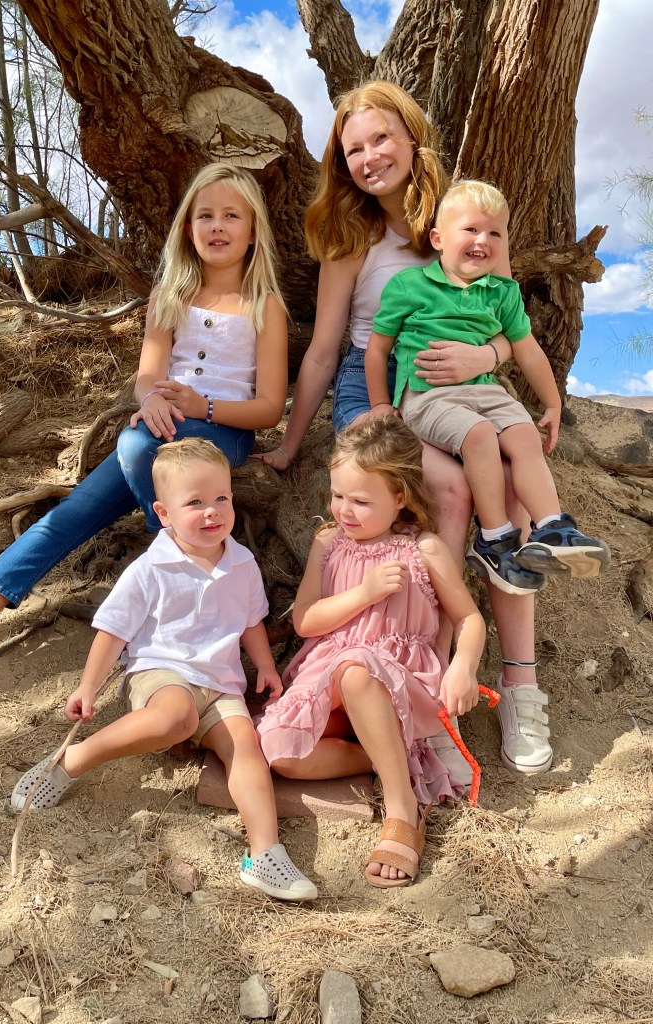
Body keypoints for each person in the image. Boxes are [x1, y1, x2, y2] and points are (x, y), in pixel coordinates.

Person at [0, 163, 287, 707]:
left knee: (135, 445)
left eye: (231, 216)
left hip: (223, 434)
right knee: (66, 518)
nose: (218, 226)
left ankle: (174, 574)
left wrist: (204, 406)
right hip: (161, 430)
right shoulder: (170, 295)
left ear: (253, 229)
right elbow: (148, 377)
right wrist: (151, 400)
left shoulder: (264, 306)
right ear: (187, 228)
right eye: (205, 215)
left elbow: (268, 408)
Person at [253, 81, 553, 776]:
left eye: (381, 138)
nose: (369, 157)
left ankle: (520, 683)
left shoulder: (467, 216)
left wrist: (487, 357)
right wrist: (293, 442)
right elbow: (324, 349)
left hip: (462, 379)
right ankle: (432, 688)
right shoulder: (350, 236)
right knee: (449, 490)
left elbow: (508, 322)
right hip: (375, 385)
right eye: (353, 149)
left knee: (511, 488)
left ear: (413, 138)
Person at [10, 438, 317, 902]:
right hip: (161, 672)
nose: (212, 511)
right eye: (195, 502)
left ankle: (264, 853)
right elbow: (113, 631)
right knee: (176, 716)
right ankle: (69, 761)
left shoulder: (242, 562)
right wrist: (88, 686)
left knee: (245, 749)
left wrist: (265, 667)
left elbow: (251, 622)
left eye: (222, 498)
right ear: (164, 513)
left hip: (221, 684)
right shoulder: (150, 568)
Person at [257, 417, 485, 888]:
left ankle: (403, 809)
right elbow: (305, 621)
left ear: (400, 496)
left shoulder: (423, 549)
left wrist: (463, 666)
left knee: (357, 668)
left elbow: (469, 618)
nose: (345, 510)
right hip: (327, 676)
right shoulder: (328, 542)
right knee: (280, 753)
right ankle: (390, 758)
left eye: (361, 501)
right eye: (338, 495)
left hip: (396, 679)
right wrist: (364, 593)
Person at [365, 179, 611, 596]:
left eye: (495, 233)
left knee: (524, 435)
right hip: (427, 395)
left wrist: (552, 404)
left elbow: (528, 351)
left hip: (486, 392)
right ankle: (494, 540)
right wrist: (379, 404)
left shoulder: (503, 293)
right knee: (479, 435)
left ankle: (551, 528)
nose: (483, 240)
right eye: (471, 230)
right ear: (438, 239)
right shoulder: (409, 286)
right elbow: (377, 349)